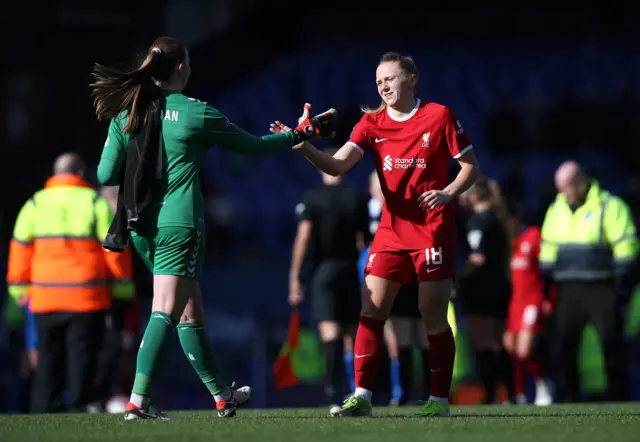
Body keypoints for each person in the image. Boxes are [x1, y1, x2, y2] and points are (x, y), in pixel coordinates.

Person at [90, 36, 335, 419]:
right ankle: (138, 402)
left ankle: (221, 396)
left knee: (190, 311)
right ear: (181, 68)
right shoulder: (197, 113)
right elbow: (253, 147)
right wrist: (301, 134)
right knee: (166, 309)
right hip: (181, 223)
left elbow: (106, 173)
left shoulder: (127, 115)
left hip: (142, 226)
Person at [270, 51, 480, 417]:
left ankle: (439, 401)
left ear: (411, 79)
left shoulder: (440, 115)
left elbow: (470, 168)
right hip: (391, 233)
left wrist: (448, 192)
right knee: (371, 310)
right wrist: (303, 145)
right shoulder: (370, 124)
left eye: (390, 78)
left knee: (431, 315)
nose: (383, 86)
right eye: (378, 81)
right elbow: (336, 166)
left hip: (432, 231)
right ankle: (362, 396)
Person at [6, 153, 134, 413]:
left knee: (47, 365)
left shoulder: (34, 204)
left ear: (54, 174)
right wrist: (121, 288)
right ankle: (79, 409)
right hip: (86, 299)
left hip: (45, 300)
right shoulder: (94, 202)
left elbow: (19, 249)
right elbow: (114, 247)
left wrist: (19, 289)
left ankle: (43, 413)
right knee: (81, 361)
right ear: (80, 173)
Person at [539, 161, 639, 401]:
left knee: (610, 341)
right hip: (567, 287)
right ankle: (570, 395)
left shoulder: (609, 205)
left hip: (601, 285)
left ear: (582, 181)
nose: (566, 193)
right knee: (565, 344)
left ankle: (617, 394)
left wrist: (621, 277)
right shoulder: (557, 208)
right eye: (561, 188)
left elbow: (626, 243)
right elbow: (549, 244)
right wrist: (546, 274)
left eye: (569, 186)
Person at [288, 147, 369, 405]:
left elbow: (303, 239)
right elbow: (363, 240)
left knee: (330, 333)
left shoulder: (312, 198)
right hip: (351, 270)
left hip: (324, 271)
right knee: (354, 333)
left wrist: (295, 276)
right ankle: (361, 389)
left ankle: (332, 391)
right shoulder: (358, 197)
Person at [360, 171, 431, 406]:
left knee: (420, 336)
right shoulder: (368, 211)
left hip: (413, 275)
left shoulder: (408, 209)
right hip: (391, 277)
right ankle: (403, 393)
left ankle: (429, 393)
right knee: (399, 337)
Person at [456, 178, 513, 404]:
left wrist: (459, 280)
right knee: (497, 340)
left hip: (482, 288)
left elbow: (477, 259)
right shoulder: (498, 219)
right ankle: (511, 391)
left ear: (474, 195)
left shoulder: (479, 221)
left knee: (483, 342)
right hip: (499, 284)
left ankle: (491, 393)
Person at [502, 201, 553, 406]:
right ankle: (520, 394)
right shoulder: (508, 244)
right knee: (511, 348)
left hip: (532, 301)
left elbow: (547, 270)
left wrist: (549, 298)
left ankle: (543, 384)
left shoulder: (533, 236)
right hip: (514, 303)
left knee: (525, 349)